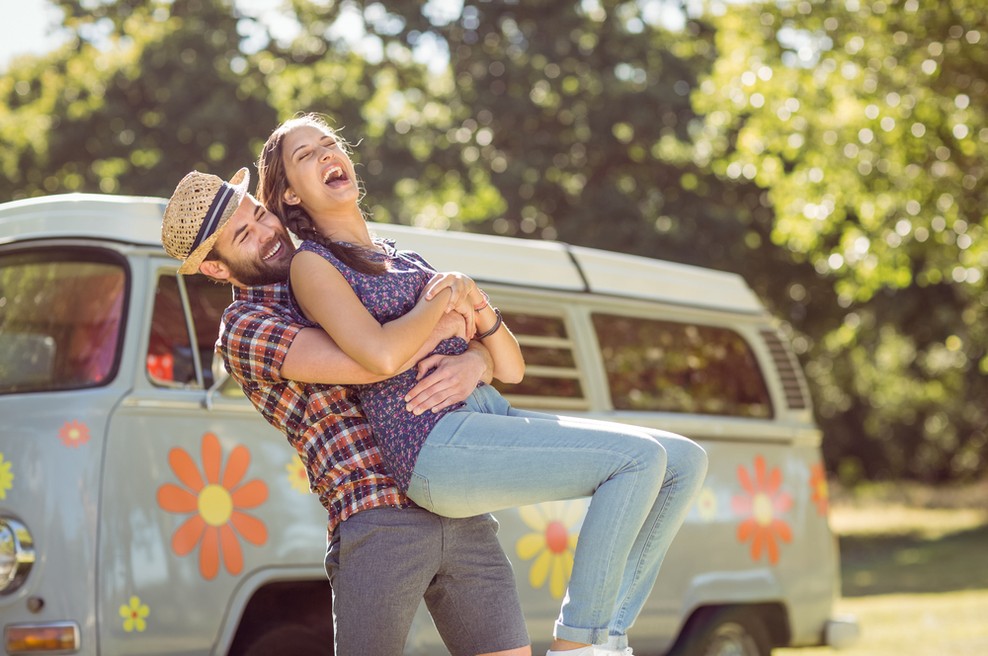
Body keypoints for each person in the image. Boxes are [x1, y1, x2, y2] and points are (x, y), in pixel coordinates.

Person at [256, 114, 709, 656]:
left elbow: (511, 367)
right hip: (432, 442)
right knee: (636, 460)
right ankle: (581, 644)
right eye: (306, 155)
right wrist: (443, 310)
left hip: (486, 412)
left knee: (683, 461)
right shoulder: (314, 264)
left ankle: (609, 635)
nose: (327, 154)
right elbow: (378, 352)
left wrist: (478, 331)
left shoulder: (405, 257)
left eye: (330, 144)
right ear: (289, 195)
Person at [160, 167, 532, 656]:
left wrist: (474, 360)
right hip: (377, 517)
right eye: (244, 236)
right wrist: (444, 319)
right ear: (216, 268)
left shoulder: (334, 263)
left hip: (458, 501)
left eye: (260, 214)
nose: (268, 232)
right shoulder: (245, 328)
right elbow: (376, 362)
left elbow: (476, 348)